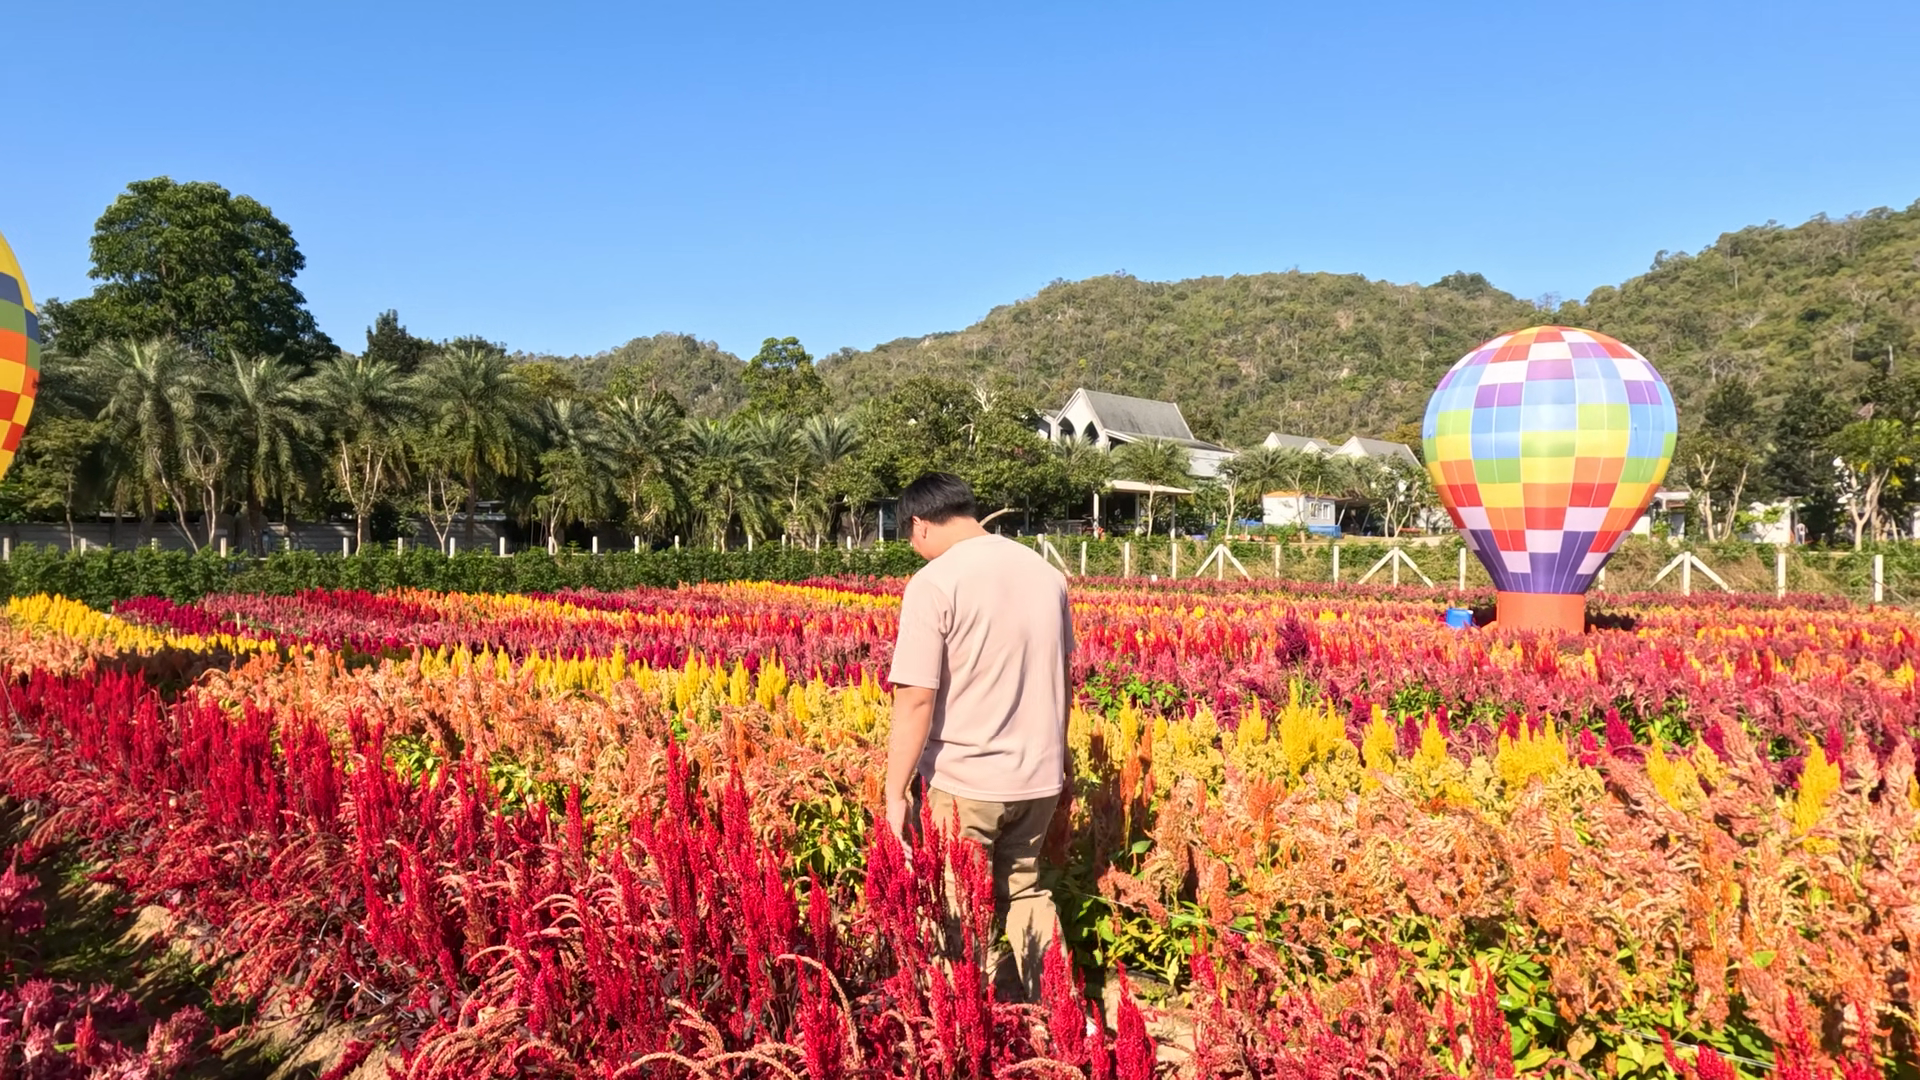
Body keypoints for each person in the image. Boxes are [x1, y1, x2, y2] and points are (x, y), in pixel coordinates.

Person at [884, 472, 1074, 1003]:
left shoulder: (935, 583)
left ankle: (965, 1019)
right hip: (1038, 778)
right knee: (1027, 891)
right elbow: (1064, 678)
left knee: (958, 908)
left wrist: (894, 792)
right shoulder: (1046, 574)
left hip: (967, 783)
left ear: (920, 525)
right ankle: (1063, 1015)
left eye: (909, 537)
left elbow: (915, 698)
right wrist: (1061, 757)